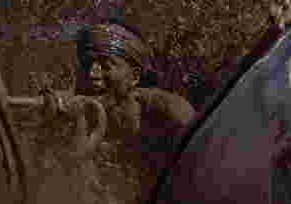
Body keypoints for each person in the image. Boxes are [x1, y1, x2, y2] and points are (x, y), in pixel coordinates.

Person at [44, 19, 195, 177]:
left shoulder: (169, 111)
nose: (92, 73)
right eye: (87, 64)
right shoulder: (77, 107)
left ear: (134, 77)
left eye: (106, 66)